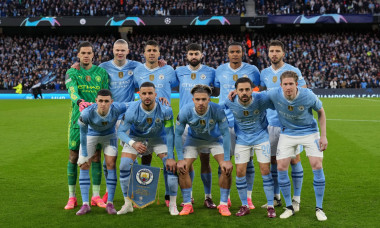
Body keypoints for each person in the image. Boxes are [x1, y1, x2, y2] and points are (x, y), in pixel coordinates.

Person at [266, 71, 328, 221]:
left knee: (317, 165)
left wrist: (323, 135)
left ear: (296, 84)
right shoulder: (274, 94)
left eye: (291, 84)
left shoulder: (308, 95)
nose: (288, 87)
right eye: (285, 84)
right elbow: (255, 96)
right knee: (281, 166)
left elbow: (321, 111)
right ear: (280, 85)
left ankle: (319, 208)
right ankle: (289, 207)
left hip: (309, 132)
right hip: (288, 133)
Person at [117, 82, 179, 216]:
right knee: (124, 165)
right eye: (144, 93)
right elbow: (120, 132)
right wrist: (133, 143)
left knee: (171, 165)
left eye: (150, 93)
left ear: (155, 94)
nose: (147, 96)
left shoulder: (166, 110)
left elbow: (169, 133)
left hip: (158, 138)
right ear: (139, 94)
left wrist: (171, 157)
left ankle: (173, 204)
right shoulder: (132, 110)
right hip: (136, 138)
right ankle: (127, 204)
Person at [260, 40, 307, 211]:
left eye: (277, 51)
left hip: (290, 124)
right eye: (271, 50)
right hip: (271, 123)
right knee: (273, 159)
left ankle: (296, 198)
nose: (274, 53)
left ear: (283, 53)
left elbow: (304, 90)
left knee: (294, 159)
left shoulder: (293, 71)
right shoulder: (264, 73)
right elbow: (261, 93)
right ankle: (276, 197)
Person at [174, 85, 233, 216]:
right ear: (193, 100)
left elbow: (225, 133)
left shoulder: (217, 110)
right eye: (197, 99)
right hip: (193, 140)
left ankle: (223, 204)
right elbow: (177, 134)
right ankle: (187, 204)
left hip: (214, 140)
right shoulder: (185, 110)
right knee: (183, 169)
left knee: (226, 168)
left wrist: (227, 159)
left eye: (204, 99)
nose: (201, 103)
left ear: (209, 99)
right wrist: (180, 158)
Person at [214, 42, 260, 209]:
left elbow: (259, 89)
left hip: (245, 121)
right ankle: (224, 198)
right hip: (224, 121)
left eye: (238, 52)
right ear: (228, 54)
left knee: (248, 162)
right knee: (224, 160)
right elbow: (216, 90)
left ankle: (248, 198)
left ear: (242, 53)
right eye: (232, 52)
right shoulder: (219, 70)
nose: (235, 54)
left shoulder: (253, 70)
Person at [64, 41, 109, 210]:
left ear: (93, 54)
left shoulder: (101, 73)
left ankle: (96, 196)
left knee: (96, 157)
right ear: (78, 55)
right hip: (77, 119)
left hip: (96, 121)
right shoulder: (72, 72)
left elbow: (105, 94)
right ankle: (72, 197)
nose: (86, 55)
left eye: (89, 53)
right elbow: (72, 90)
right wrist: (79, 101)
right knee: (74, 156)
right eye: (83, 53)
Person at [133, 40, 178, 206]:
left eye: (154, 50)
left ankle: (168, 195)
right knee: (145, 157)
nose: (151, 53)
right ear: (144, 53)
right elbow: (133, 91)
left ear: (159, 54)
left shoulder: (169, 70)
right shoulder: (137, 70)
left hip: (163, 120)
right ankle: (144, 192)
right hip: (143, 122)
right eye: (149, 50)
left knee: (168, 159)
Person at [223, 77, 276, 218]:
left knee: (265, 170)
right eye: (241, 90)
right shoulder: (230, 101)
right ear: (235, 91)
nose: (244, 92)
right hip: (242, 140)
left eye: (247, 89)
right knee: (240, 171)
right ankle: (244, 205)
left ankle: (270, 206)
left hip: (261, 138)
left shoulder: (261, 99)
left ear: (253, 89)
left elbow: (277, 97)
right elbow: (218, 110)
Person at [175, 43, 216, 208]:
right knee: (186, 161)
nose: (194, 56)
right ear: (187, 55)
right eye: (191, 53)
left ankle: (208, 197)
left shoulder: (211, 72)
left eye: (196, 54)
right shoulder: (178, 71)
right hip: (185, 122)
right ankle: (189, 195)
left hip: (206, 123)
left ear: (201, 55)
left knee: (205, 160)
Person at [75, 89, 127, 215]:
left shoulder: (117, 107)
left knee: (111, 164)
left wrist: (158, 100)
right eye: (101, 101)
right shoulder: (87, 113)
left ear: (111, 102)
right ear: (96, 101)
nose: (103, 104)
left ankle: (110, 203)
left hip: (109, 136)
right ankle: (85, 204)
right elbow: (82, 133)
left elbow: (134, 104)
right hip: (91, 136)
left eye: (106, 101)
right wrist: (83, 155)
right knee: (84, 164)